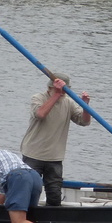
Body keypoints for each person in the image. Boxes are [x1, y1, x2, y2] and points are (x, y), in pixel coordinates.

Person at [20, 74, 90, 207]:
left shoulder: (68, 102)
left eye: (65, 90)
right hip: (33, 154)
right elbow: (40, 114)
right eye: (61, 90)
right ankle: (25, 216)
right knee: (28, 190)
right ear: (50, 87)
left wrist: (85, 106)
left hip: (55, 157)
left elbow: (84, 121)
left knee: (54, 195)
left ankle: (50, 217)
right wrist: (57, 94)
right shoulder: (38, 98)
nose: (63, 93)